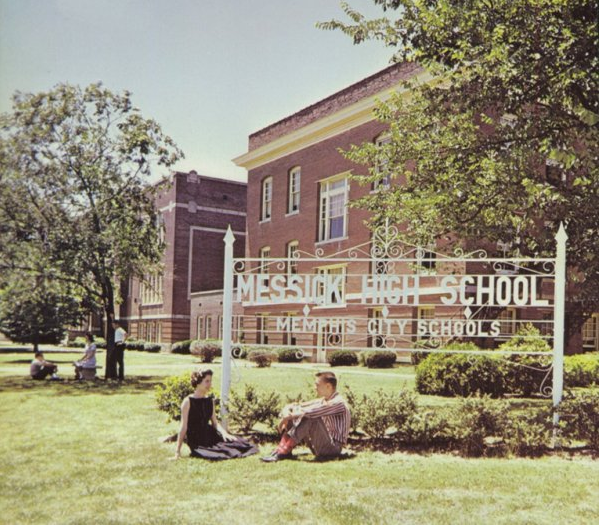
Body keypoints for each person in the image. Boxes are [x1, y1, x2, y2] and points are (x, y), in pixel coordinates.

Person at [262, 371, 351, 462]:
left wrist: (287, 418)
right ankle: (281, 450)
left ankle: (283, 451)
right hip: (320, 444)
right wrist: (287, 412)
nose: (315, 388)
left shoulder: (339, 403)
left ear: (328, 386)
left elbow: (311, 412)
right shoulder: (323, 400)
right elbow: (297, 406)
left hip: (333, 449)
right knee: (299, 413)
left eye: (317, 385)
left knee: (310, 417)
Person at [175, 369, 258, 460]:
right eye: (207, 381)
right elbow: (183, 427)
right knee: (218, 453)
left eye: (210, 381)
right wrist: (177, 452)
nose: (210, 384)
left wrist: (225, 434)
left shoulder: (210, 400)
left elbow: (215, 423)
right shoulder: (187, 402)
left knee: (238, 444)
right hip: (197, 440)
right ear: (198, 382)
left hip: (209, 434)